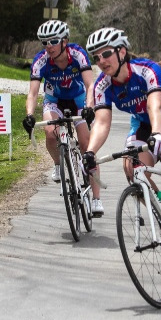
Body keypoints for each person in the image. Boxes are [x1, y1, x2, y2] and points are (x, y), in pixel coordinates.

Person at [81, 27, 161, 254]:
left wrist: (158, 133)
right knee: (133, 169)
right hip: (142, 124)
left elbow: (155, 106)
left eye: (106, 53)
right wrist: (90, 152)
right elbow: (101, 122)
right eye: (96, 57)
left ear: (122, 52)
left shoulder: (148, 69)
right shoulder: (102, 85)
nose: (101, 61)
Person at [22, 20, 103, 217]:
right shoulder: (41, 60)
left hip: (78, 100)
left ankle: (96, 198)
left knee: (86, 144)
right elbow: (32, 93)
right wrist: (29, 115)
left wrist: (89, 107)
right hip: (54, 101)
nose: (48, 46)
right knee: (50, 133)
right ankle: (59, 164)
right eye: (45, 42)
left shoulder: (77, 54)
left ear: (64, 41)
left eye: (53, 41)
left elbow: (90, 85)